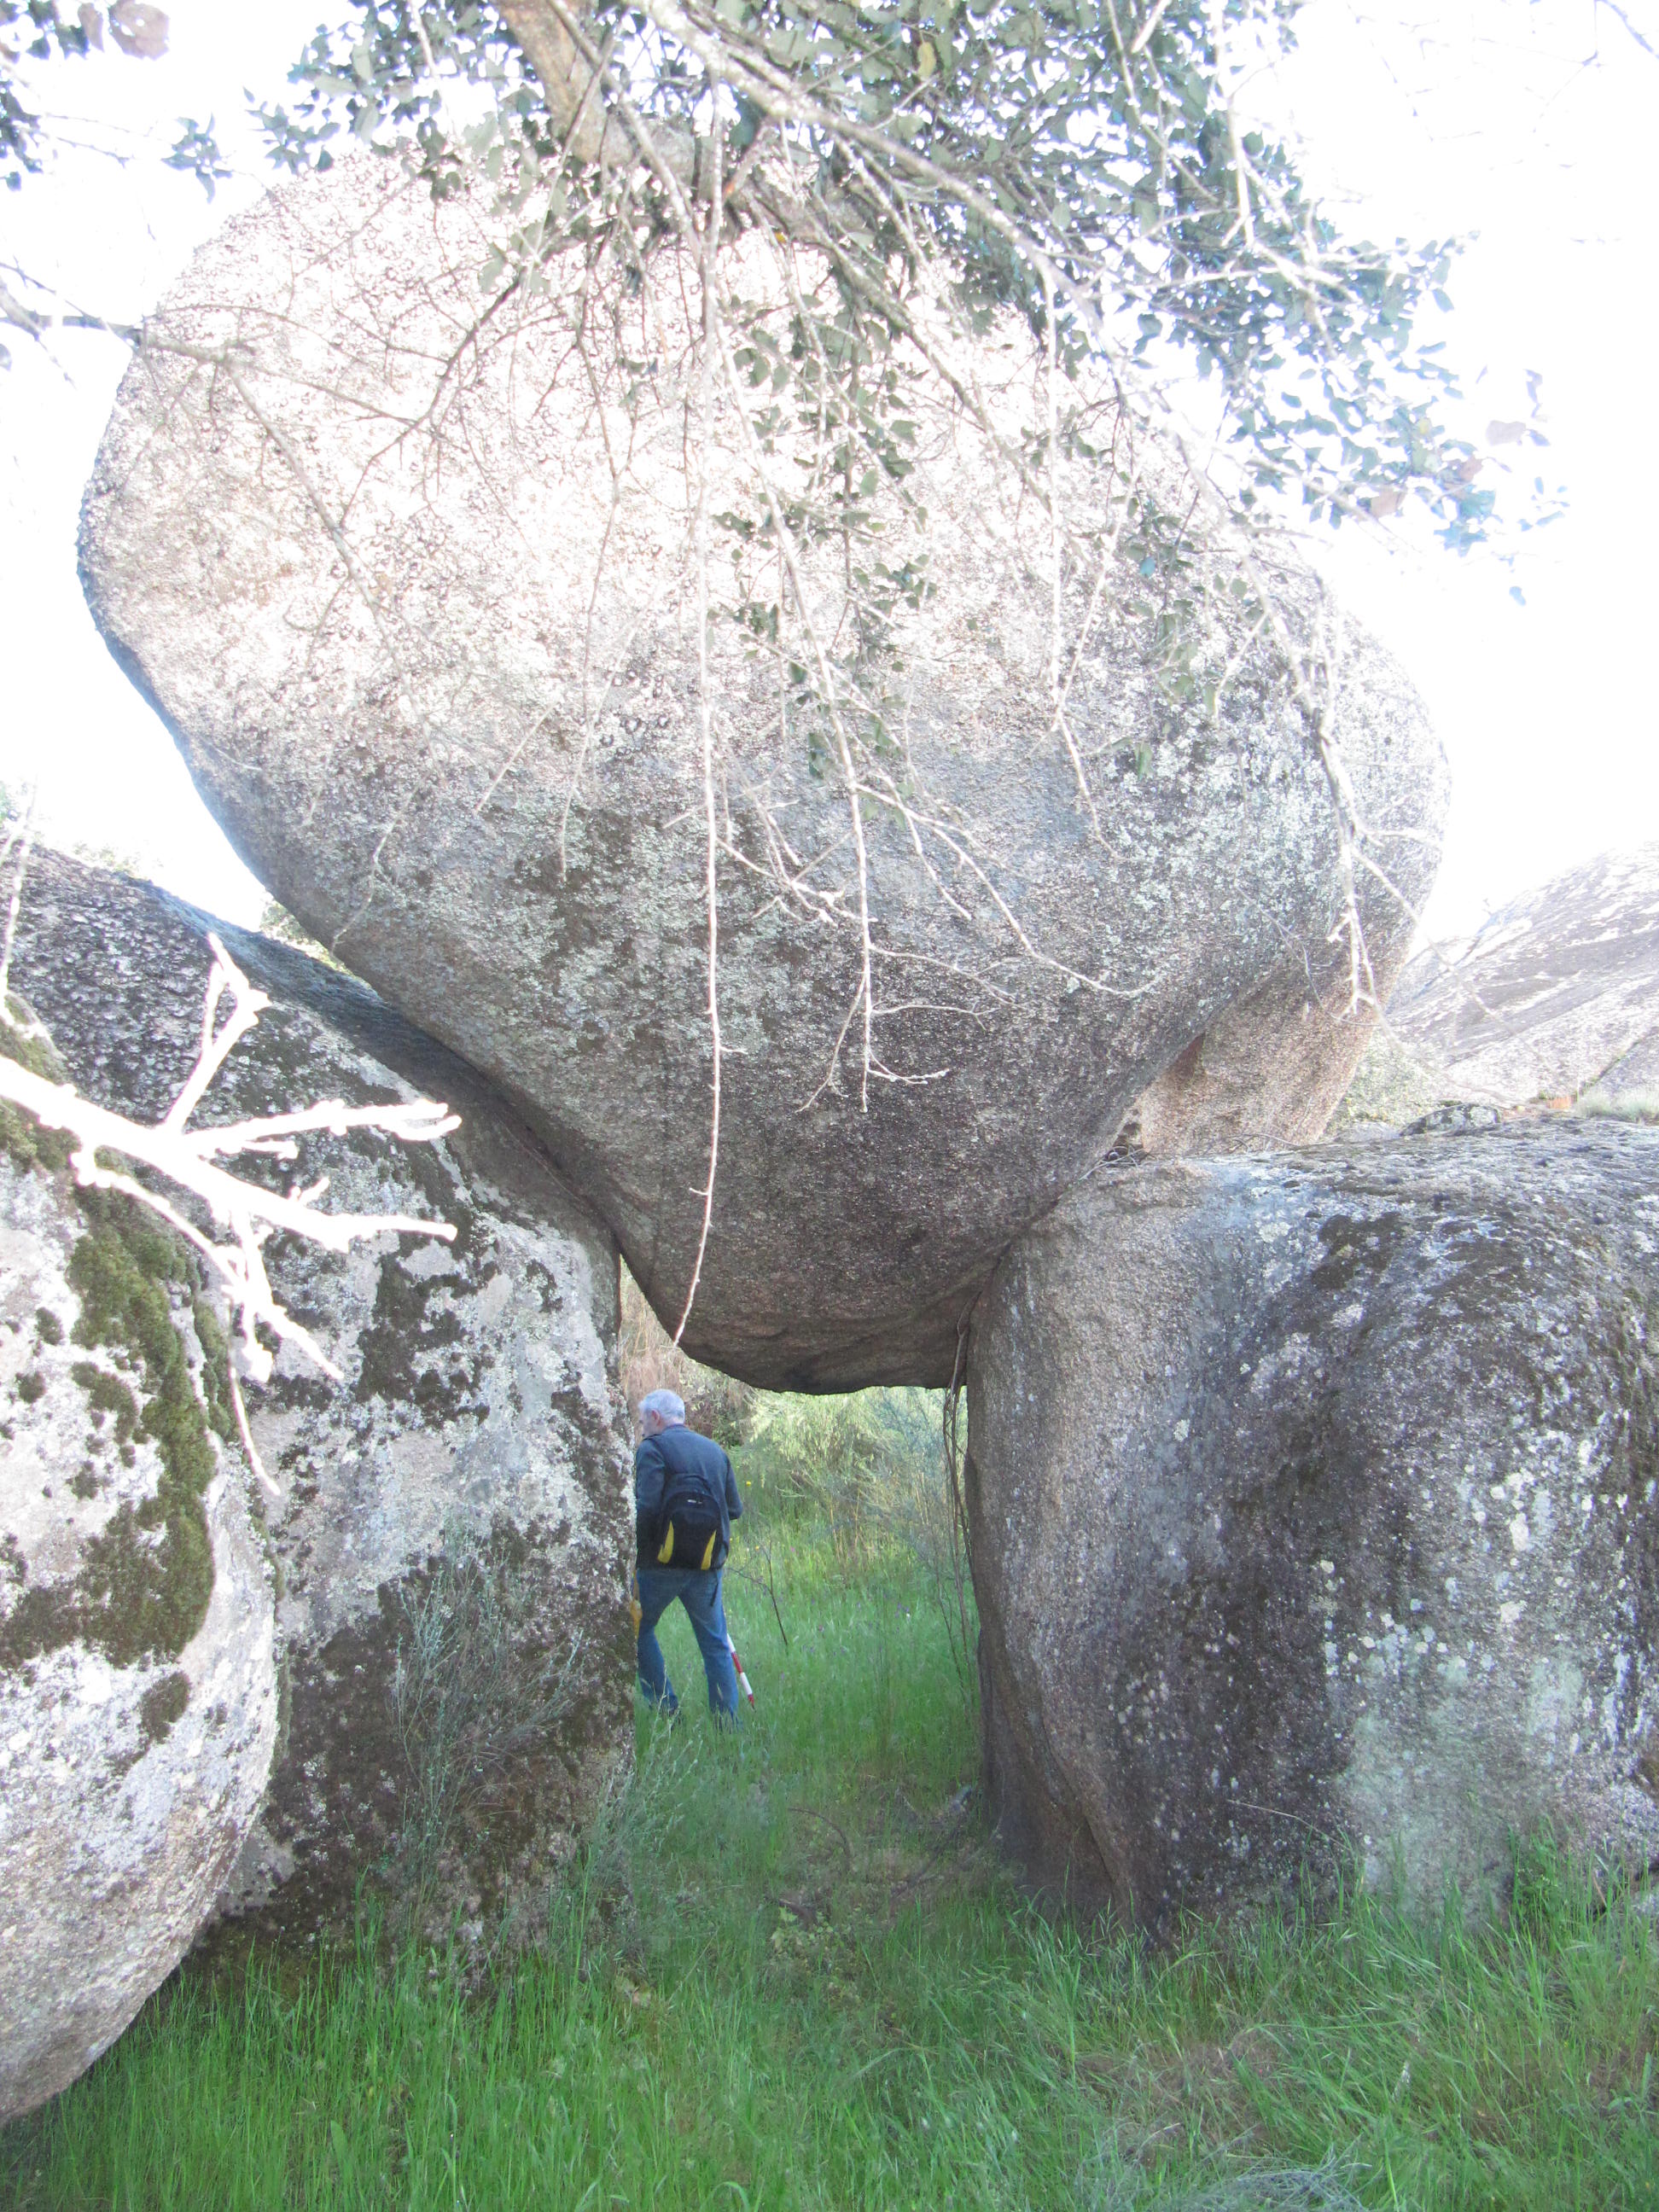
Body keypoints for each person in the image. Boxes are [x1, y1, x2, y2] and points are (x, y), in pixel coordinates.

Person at [632, 1388, 744, 1721]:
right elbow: (734, 1510)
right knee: (715, 1645)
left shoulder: (652, 1449)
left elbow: (647, 1509)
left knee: (636, 1630)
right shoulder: (715, 1451)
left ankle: (667, 1712)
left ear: (656, 1417)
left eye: (642, 1422)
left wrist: (634, 1556)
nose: (641, 1430)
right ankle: (726, 1726)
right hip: (708, 1567)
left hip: (659, 1566)